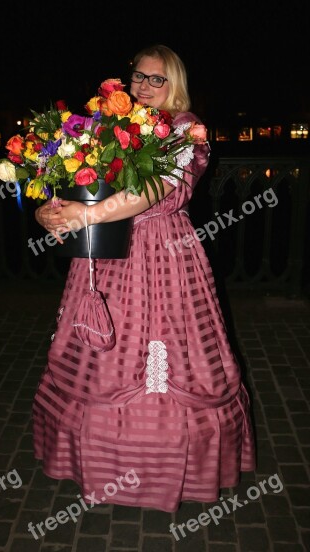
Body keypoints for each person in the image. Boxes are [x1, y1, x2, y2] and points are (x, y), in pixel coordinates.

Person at [32, 44, 256, 513]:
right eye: (138, 77)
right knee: (95, 351)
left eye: (158, 79)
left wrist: (85, 216)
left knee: (165, 348)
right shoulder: (106, 127)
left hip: (165, 253)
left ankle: (156, 466)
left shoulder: (186, 129)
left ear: (175, 84)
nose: (145, 87)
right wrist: (48, 214)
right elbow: (65, 183)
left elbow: (155, 189)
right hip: (102, 254)